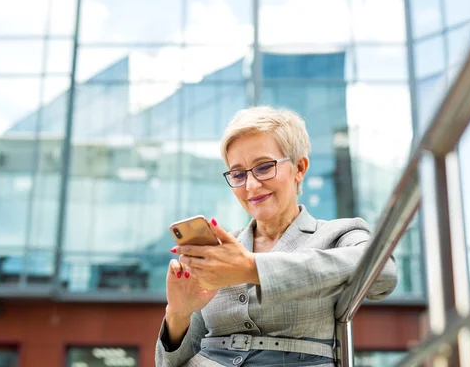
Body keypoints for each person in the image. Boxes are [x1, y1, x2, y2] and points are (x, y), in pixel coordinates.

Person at [155, 106, 398, 367]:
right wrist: (178, 314)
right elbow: (173, 363)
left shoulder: (337, 234)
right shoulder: (224, 250)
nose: (250, 186)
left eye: (263, 167)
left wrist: (252, 269)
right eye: (238, 174)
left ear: (299, 168)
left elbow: (383, 270)